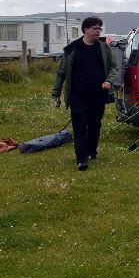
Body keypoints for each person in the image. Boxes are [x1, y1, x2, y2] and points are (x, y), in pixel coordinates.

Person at [52, 16, 118, 171]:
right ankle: (81, 159)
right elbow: (61, 72)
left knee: (95, 125)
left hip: (98, 95)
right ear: (85, 30)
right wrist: (56, 91)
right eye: (95, 28)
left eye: (100, 29)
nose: (98, 32)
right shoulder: (72, 49)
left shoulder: (104, 48)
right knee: (79, 126)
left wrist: (109, 80)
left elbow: (114, 67)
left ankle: (91, 150)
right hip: (77, 96)